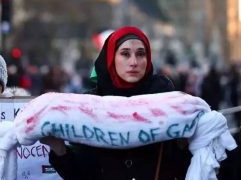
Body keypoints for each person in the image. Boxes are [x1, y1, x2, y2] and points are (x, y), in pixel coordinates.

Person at [41, 26, 191, 180]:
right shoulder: (91, 105)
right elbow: (82, 174)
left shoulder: (166, 98)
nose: (134, 62)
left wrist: (189, 141)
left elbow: (183, 167)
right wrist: (58, 149)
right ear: (111, 58)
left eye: (140, 54)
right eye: (125, 54)